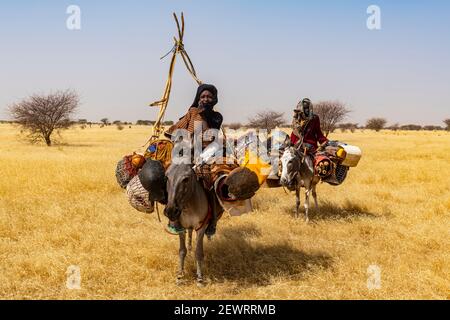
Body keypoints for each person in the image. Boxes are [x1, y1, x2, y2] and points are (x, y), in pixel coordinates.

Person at [163, 84, 224, 236]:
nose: (205, 99)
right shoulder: (192, 111)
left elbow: (213, 132)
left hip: (206, 153)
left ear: (214, 99)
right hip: (185, 151)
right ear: (198, 98)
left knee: (211, 182)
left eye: (209, 96)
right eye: (202, 96)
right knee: (172, 178)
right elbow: (179, 127)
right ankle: (173, 218)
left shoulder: (216, 116)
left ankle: (213, 220)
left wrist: (204, 114)